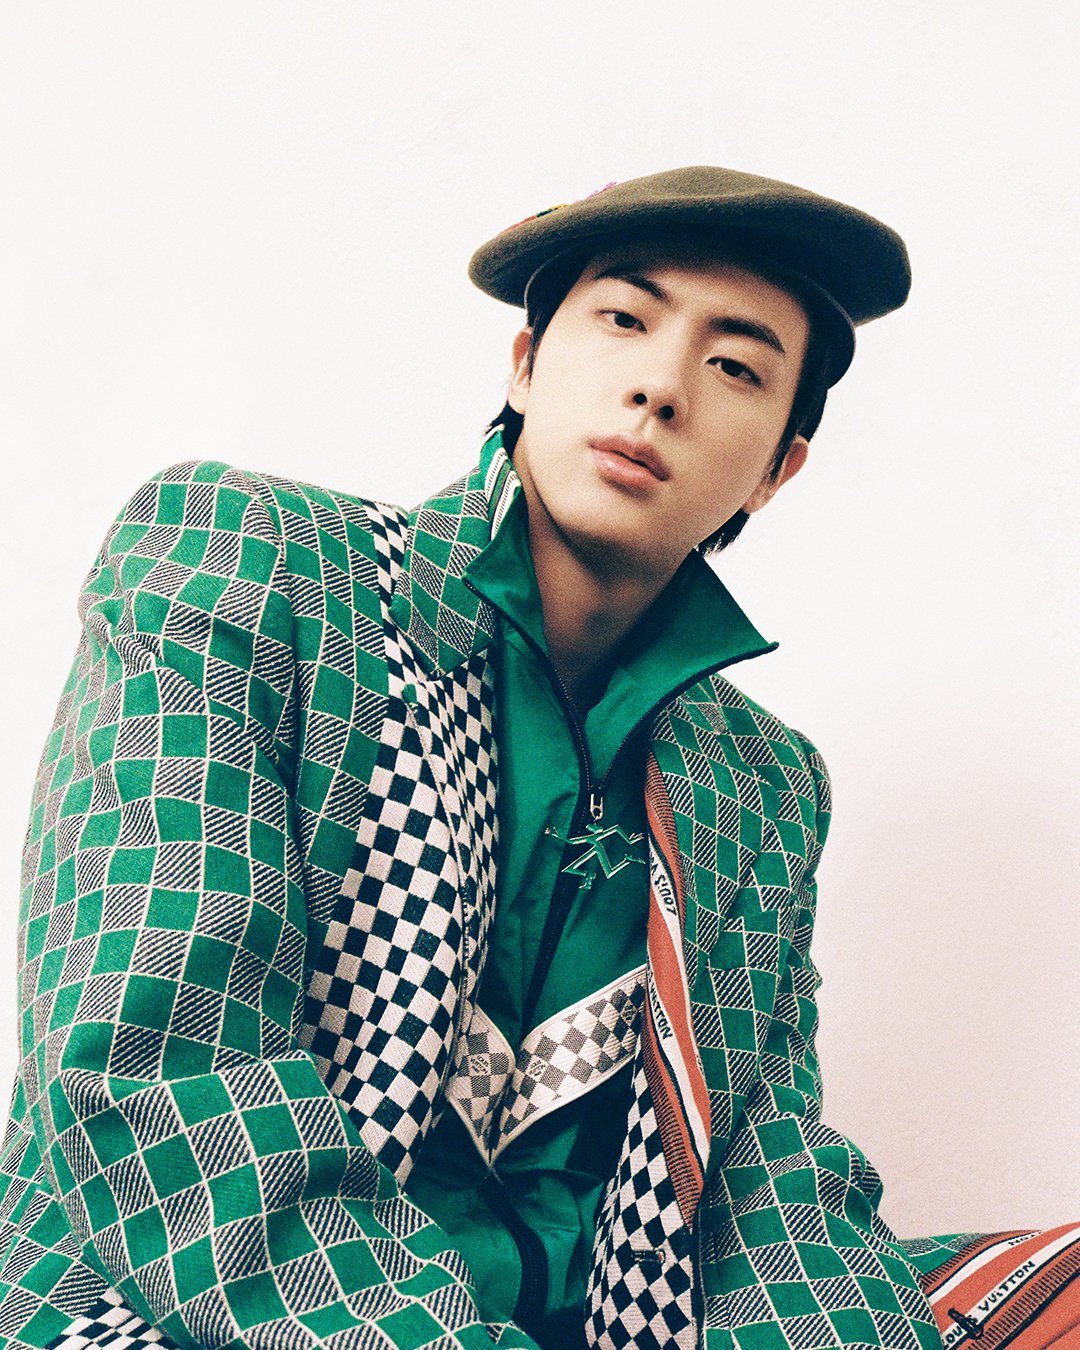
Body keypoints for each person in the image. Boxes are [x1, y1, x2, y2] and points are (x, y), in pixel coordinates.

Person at [0, 166, 1076, 1350]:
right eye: (623, 319)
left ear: (779, 468)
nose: (660, 387)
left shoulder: (763, 784)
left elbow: (764, 1188)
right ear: (524, 366)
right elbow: (153, 1075)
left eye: (736, 367)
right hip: (196, 1305)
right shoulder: (253, 562)